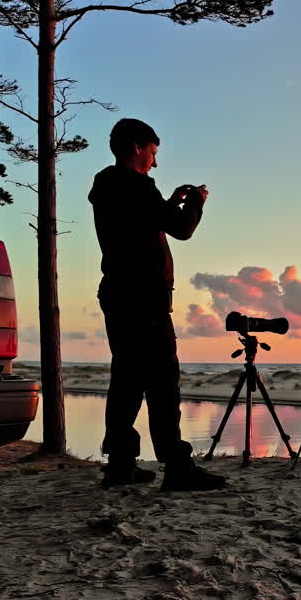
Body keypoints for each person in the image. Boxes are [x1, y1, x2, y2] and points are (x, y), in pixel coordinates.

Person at [89, 118, 227, 491]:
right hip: (143, 298)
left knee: (128, 380)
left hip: (119, 293)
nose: (155, 162)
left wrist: (169, 202)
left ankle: (119, 465)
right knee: (163, 382)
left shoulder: (109, 187)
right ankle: (177, 467)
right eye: (152, 153)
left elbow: (144, 224)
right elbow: (181, 229)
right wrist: (196, 200)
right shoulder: (135, 186)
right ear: (137, 148)